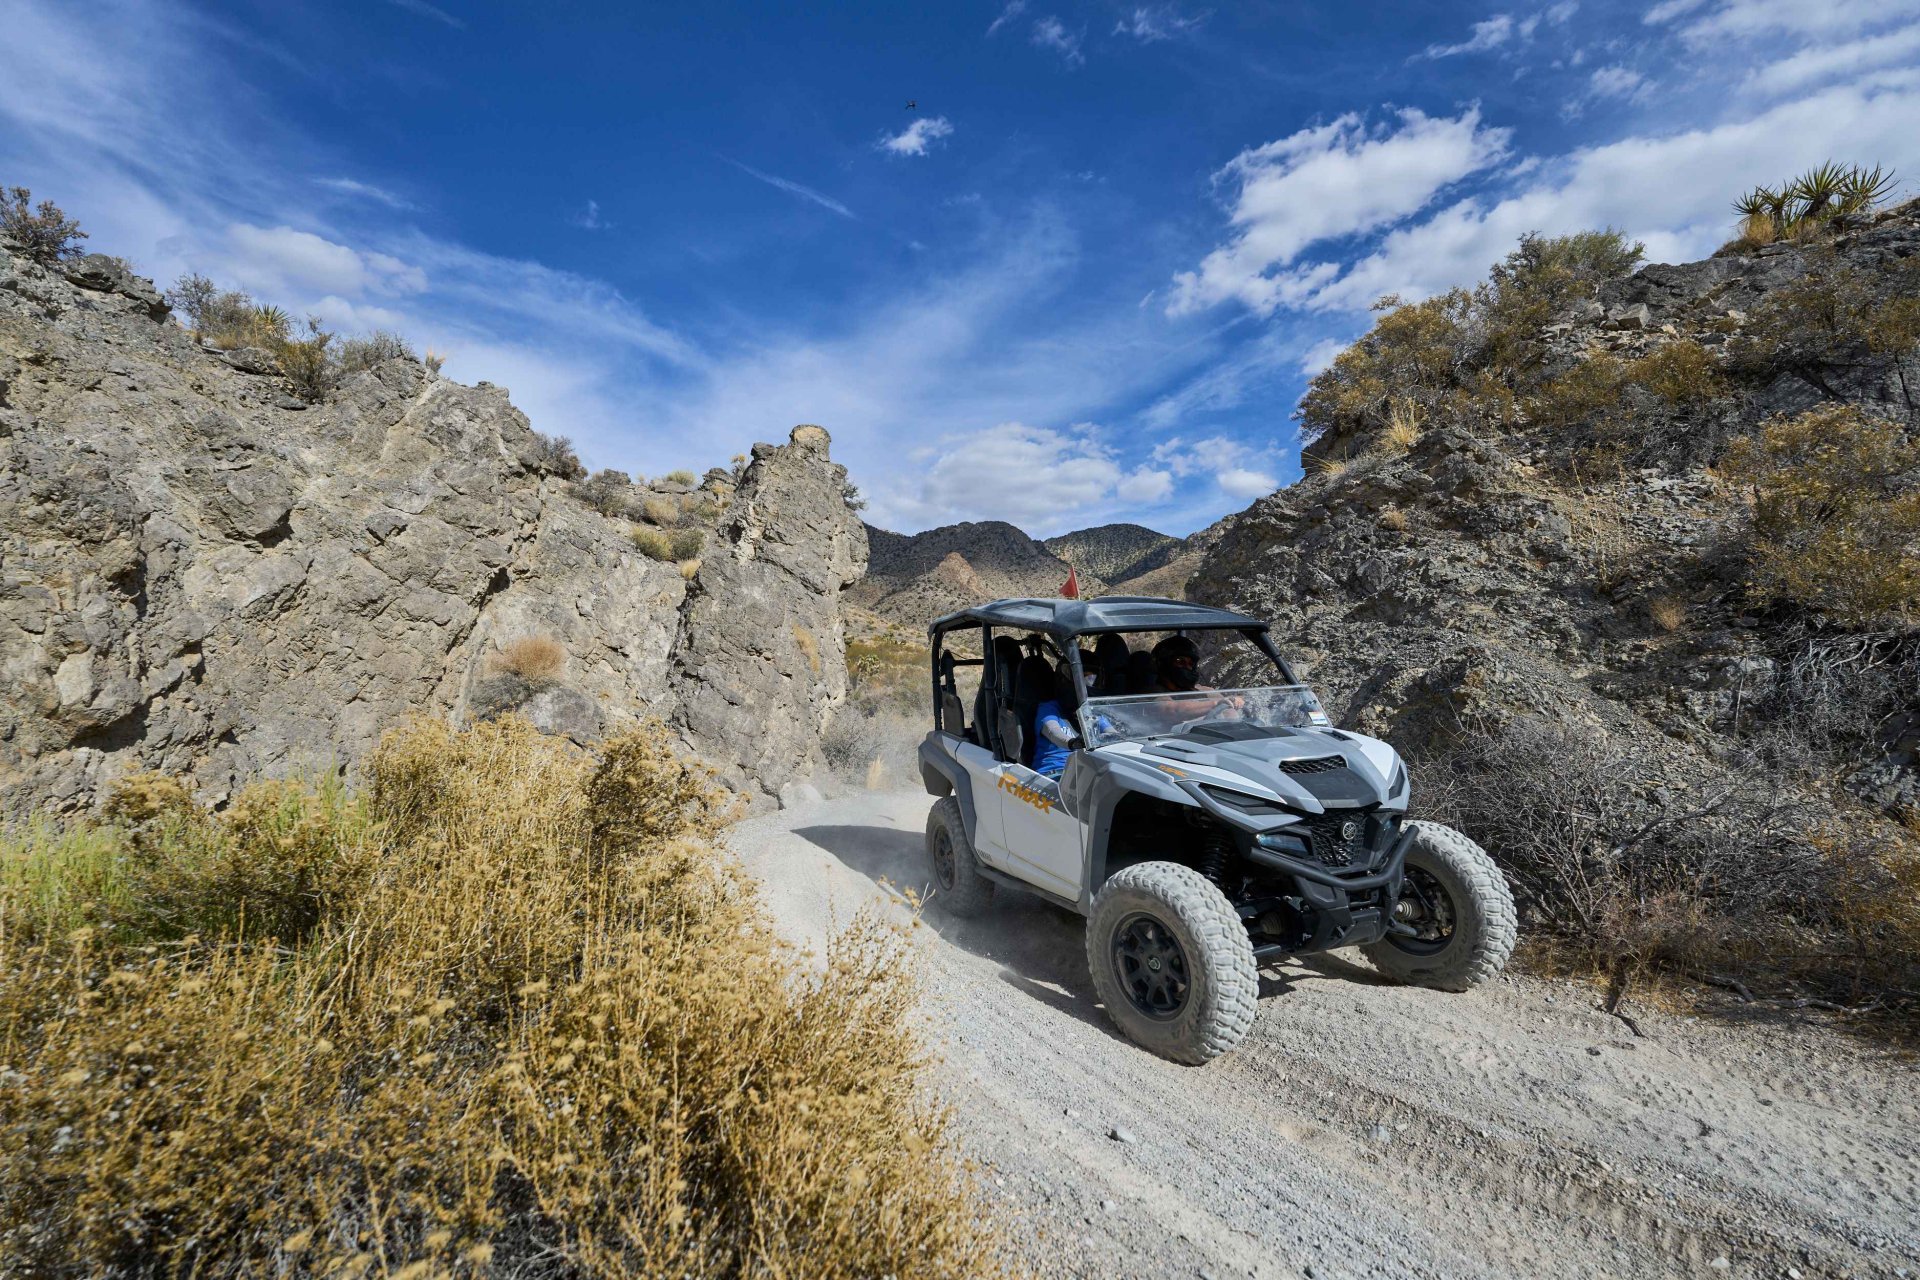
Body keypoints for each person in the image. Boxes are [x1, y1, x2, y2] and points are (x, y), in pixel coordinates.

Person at [1032, 668, 1081, 779]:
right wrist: (1072, 742)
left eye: (1092, 678)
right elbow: (1052, 731)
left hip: (1083, 772)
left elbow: (1111, 732)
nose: (1088, 683)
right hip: (1053, 773)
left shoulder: (1090, 710)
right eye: (1083, 678)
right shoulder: (1049, 708)